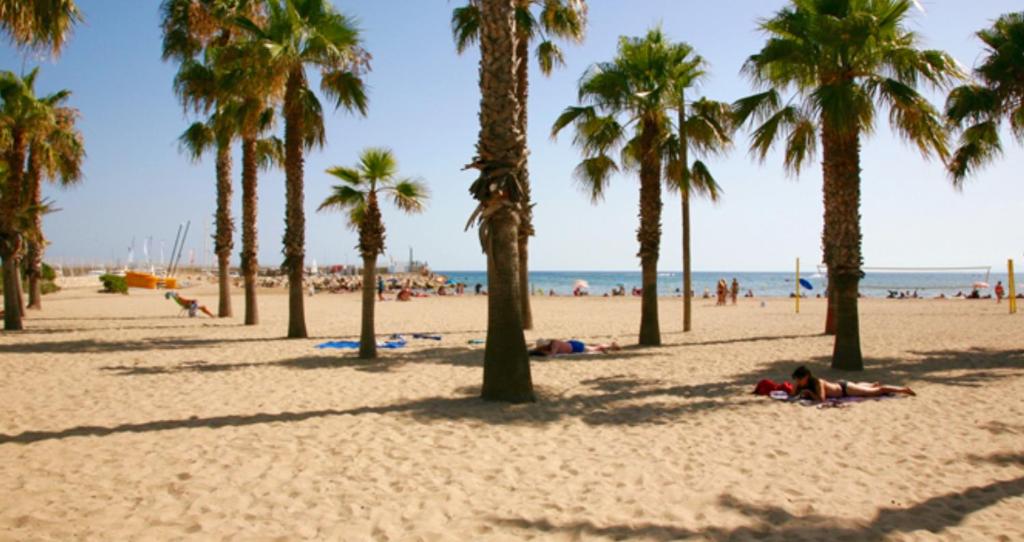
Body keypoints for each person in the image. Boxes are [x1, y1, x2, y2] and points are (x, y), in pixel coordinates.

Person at [791, 366, 915, 402]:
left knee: (878, 391)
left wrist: (809, 393)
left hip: (845, 389)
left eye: (798, 379)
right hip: (840, 385)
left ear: (806, 377)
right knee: (861, 387)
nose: (797, 381)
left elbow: (822, 399)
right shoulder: (801, 383)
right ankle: (871, 384)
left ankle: (903, 389)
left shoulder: (818, 383)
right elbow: (792, 395)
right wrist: (796, 386)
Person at [530, 338, 621, 356]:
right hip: (571, 344)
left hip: (574, 347)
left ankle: (610, 346)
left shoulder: (554, 344)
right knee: (593, 347)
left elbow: (552, 355)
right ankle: (609, 345)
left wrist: (542, 353)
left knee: (594, 349)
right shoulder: (552, 343)